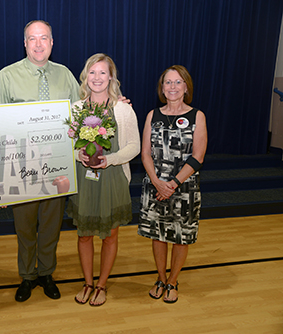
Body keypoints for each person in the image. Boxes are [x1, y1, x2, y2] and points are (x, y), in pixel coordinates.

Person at [0, 20, 80, 302]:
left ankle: (46, 273)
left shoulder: (65, 75)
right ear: (24, 43)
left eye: (44, 38)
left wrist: (117, 104)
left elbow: (80, 114)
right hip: (21, 166)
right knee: (25, 226)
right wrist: (1, 178)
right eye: (33, 38)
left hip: (57, 163)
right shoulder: (7, 75)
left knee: (51, 225)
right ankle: (27, 276)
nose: (39, 44)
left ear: (52, 43)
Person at [66, 54, 140, 306]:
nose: (97, 78)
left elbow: (134, 147)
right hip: (84, 181)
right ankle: (87, 282)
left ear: (111, 77)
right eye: (92, 73)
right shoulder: (75, 109)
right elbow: (66, 147)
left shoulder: (123, 109)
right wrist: (79, 155)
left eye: (102, 73)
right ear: (86, 77)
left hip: (113, 178)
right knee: (84, 235)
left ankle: (102, 285)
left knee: (110, 236)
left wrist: (109, 160)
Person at [138, 65, 207, 303]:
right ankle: (160, 278)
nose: (173, 87)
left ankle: (173, 280)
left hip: (184, 188)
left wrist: (173, 184)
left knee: (180, 236)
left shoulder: (197, 116)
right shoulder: (152, 115)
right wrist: (158, 183)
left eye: (178, 82)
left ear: (186, 87)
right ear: (162, 88)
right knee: (158, 235)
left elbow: (198, 156)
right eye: (168, 82)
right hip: (155, 186)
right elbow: (144, 153)